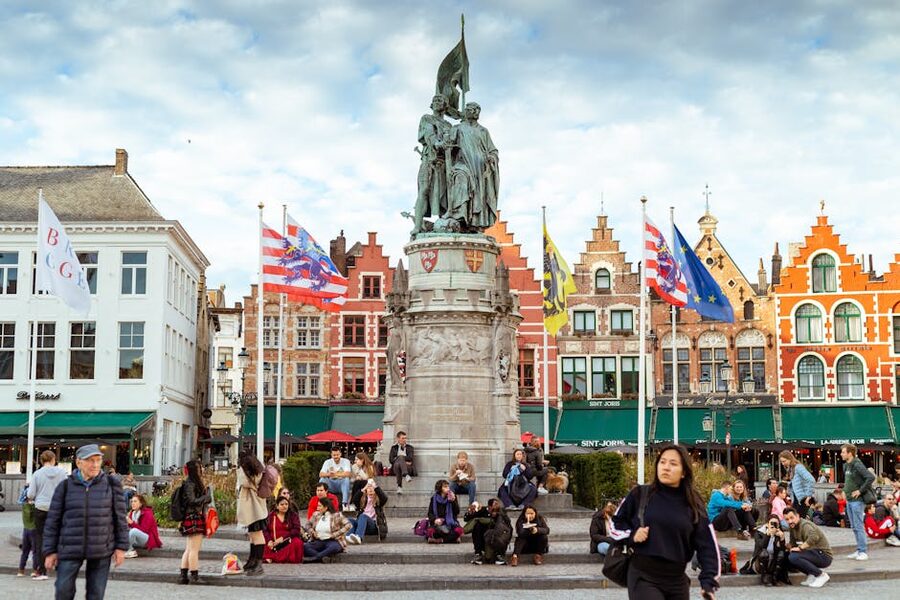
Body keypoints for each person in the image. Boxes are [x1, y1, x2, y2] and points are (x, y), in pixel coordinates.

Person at [612, 444, 720, 600]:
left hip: (676, 579)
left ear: (684, 472)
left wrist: (708, 582)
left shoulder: (693, 504)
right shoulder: (640, 494)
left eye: (673, 463)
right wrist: (632, 535)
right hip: (643, 575)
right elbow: (615, 523)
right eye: (662, 462)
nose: (666, 467)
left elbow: (708, 545)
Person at [42, 444, 128, 600]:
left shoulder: (111, 484)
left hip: (101, 548)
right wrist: (50, 551)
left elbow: (120, 518)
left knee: (96, 594)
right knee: (63, 591)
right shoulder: (65, 486)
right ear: (79, 462)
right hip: (69, 548)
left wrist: (121, 547)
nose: (95, 465)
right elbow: (53, 521)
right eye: (90, 461)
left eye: (98, 460)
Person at [445, 101, 499, 230]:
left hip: (480, 168)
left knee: (480, 194)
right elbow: (449, 145)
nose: (474, 112)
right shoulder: (457, 128)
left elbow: (493, 150)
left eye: (476, 110)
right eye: (470, 109)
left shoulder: (483, 131)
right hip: (463, 164)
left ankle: (475, 223)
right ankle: (459, 216)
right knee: (460, 179)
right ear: (466, 111)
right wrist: (446, 141)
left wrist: (492, 157)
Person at [412, 94, 452, 235]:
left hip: (445, 162)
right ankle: (417, 225)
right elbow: (428, 134)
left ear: (445, 105)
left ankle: (444, 225)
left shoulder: (449, 125)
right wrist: (437, 143)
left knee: (446, 194)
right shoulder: (426, 118)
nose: (436, 102)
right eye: (434, 100)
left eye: (440, 100)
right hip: (429, 159)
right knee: (424, 190)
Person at [27, 449, 67, 581]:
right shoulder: (62, 473)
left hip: (41, 508)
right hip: (57, 508)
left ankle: (42, 570)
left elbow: (31, 494)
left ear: (42, 461)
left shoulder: (37, 474)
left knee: (40, 539)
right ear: (53, 459)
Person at [178, 459, 211, 585]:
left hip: (191, 515)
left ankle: (183, 575)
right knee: (194, 549)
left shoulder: (189, 482)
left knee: (189, 548)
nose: (201, 469)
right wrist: (205, 497)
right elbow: (192, 500)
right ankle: (194, 576)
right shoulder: (191, 483)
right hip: (194, 515)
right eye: (199, 467)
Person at [842, 442, 876, 561]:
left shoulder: (857, 464)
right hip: (849, 500)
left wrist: (860, 491)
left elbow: (870, 477)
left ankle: (863, 551)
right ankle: (859, 549)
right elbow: (848, 481)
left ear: (850, 453)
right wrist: (844, 491)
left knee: (858, 526)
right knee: (854, 526)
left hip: (858, 500)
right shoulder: (846, 465)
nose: (841, 454)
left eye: (843, 452)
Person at [237, 452, 269, 576]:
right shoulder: (258, 470)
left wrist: (240, 470)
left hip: (254, 509)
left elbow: (243, 482)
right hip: (257, 508)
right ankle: (253, 560)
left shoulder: (247, 473)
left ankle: (258, 564)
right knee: (253, 535)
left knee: (257, 535)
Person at [784, 506, 832, 588]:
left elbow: (814, 537)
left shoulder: (805, 525)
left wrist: (800, 548)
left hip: (824, 555)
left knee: (794, 557)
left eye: (792, 518)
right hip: (813, 553)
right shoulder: (792, 527)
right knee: (788, 556)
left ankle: (821, 575)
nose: (790, 521)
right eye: (787, 519)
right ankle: (811, 575)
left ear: (798, 516)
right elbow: (792, 544)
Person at [303, 498, 352, 562]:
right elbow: (307, 525)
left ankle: (316, 558)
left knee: (334, 547)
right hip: (319, 541)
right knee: (305, 546)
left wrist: (335, 534)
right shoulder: (316, 514)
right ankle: (321, 557)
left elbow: (348, 525)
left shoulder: (337, 515)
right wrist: (312, 532)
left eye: (320, 506)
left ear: (326, 507)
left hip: (332, 541)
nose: (317, 508)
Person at [465, 498, 512, 565]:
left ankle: (500, 555)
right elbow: (466, 518)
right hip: (484, 539)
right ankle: (478, 553)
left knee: (503, 529)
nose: (497, 506)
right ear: (489, 506)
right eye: (495, 504)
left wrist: (499, 515)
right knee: (477, 525)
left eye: (498, 504)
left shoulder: (502, 512)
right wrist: (470, 511)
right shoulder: (483, 510)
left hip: (496, 539)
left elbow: (508, 526)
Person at [263, 496, 304, 563]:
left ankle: (273, 557)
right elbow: (265, 530)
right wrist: (269, 540)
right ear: (277, 506)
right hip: (273, 541)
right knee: (262, 542)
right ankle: (272, 556)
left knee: (297, 542)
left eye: (286, 504)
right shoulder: (271, 516)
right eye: (282, 504)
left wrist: (283, 538)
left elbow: (296, 530)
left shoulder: (293, 515)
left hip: (288, 540)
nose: (284, 506)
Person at [779, 450, 815, 518]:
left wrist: (808, 496)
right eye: (781, 462)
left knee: (798, 520)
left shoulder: (798, 467)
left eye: (784, 461)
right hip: (797, 499)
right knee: (796, 520)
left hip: (802, 499)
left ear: (790, 459)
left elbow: (811, 480)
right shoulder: (791, 469)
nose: (783, 463)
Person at [124, 494, 162, 558]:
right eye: (132, 501)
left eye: (135, 501)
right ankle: (125, 550)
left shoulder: (147, 513)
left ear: (141, 503)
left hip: (148, 539)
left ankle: (130, 551)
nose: (133, 503)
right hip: (137, 539)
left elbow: (144, 530)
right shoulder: (132, 513)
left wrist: (131, 523)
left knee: (133, 531)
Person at [427, 479, 463, 544]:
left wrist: (453, 501)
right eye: (445, 487)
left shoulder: (452, 497)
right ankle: (453, 539)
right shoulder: (434, 498)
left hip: (450, 523)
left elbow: (457, 512)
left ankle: (439, 540)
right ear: (440, 488)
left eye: (448, 486)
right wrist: (435, 520)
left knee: (459, 531)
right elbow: (430, 513)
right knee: (430, 531)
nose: (448, 488)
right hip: (438, 523)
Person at [18, 491, 36, 577]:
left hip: (26, 530)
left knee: (25, 551)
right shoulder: (34, 507)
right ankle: (35, 570)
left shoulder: (24, 506)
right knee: (35, 552)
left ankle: (21, 570)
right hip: (34, 530)